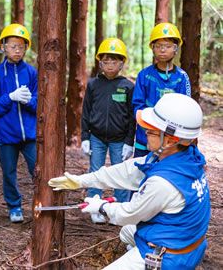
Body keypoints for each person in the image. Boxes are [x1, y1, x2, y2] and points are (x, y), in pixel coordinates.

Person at [49, 93, 210, 269]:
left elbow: (130, 214)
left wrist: (101, 207)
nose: (145, 134)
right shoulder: (184, 158)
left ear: (171, 139)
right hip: (183, 238)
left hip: (172, 257)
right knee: (127, 233)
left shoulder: (163, 183)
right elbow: (128, 171)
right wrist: (82, 181)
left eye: (151, 131)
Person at [0, 23, 37, 223]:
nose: (17, 50)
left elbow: (39, 102)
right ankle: (14, 206)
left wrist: (28, 101)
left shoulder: (31, 72)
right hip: (7, 136)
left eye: (21, 46)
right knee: (9, 172)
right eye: (13, 46)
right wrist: (11, 97)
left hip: (30, 135)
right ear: (3, 47)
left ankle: (40, 204)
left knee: (37, 171)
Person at [81, 38, 135, 223]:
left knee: (121, 173)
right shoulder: (93, 85)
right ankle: (94, 206)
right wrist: (85, 137)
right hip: (96, 137)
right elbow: (86, 112)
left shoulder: (128, 86)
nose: (110, 65)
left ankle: (120, 210)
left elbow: (131, 117)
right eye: (106, 61)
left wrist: (129, 142)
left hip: (119, 140)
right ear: (100, 63)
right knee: (96, 171)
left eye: (114, 61)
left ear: (122, 63)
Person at [132, 22, 191, 158]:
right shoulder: (144, 75)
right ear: (152, 48)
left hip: (171, 142)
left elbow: (185, 109)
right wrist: (150, 126)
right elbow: (137, 106)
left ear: (175, 48)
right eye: (158, 46)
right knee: (140, 175)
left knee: (165, 175)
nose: (162, 50)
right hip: (145, 138)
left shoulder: (182, 77)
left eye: (167, 46)